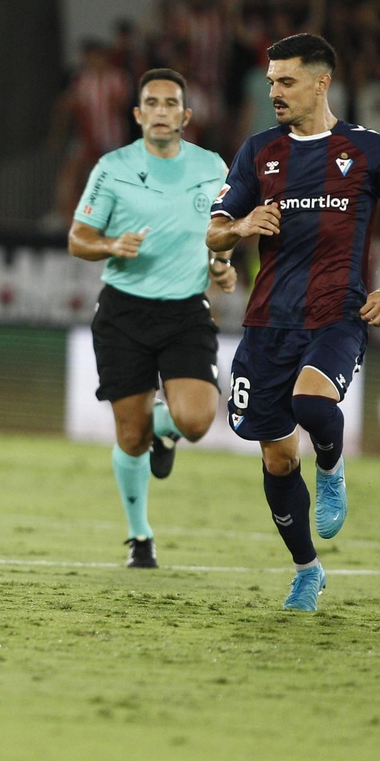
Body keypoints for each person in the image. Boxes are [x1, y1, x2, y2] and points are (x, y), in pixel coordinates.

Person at [208, 33, 380, 611]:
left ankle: (331, 471)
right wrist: (240, 228)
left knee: (313, 407)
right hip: (266, 326)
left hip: (337, 317)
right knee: (278, 457)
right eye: (271, 81)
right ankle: (307, 570)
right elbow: (214, 230)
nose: (274, 92)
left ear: (321, 81)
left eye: (286, 81)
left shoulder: (370, 151)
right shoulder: (258, 151)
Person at [68, 69, 234, 569]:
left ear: (186, 115)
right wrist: (110, 245)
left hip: (185, 311)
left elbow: (221, 233)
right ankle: (140, 538)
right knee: (129, 437)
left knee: (198, 420)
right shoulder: (112, 167)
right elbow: (78, 238)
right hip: (123, 312)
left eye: (171, 103)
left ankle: (168, 429)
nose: (161, 111)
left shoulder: (212, 168)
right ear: (138, 114)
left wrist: (220, 266)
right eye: (151, 103)